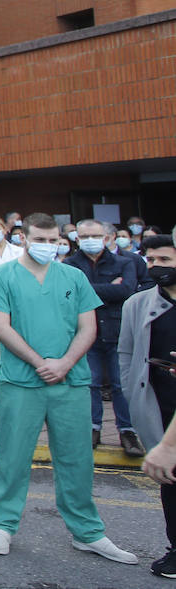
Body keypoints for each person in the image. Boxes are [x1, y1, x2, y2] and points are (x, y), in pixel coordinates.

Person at [0, 213, 137, 564]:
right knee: (14, 457)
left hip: (71, 380)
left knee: (77, 459)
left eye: (53, 241)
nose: (47, 247)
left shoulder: (73, 277)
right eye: (40, 240)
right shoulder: (2, 277)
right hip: (21, 381)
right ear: (23, 238)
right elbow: (0, 327)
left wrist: (63, 364)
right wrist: (39, 362)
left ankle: (87, 532)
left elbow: (87, 328)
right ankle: (1, 525)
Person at [119, 234, 176, 577]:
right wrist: (130, 388)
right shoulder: (137, 303)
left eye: (165, 261)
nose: (156, 267)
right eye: (151, 261)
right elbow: (126, 352)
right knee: (170, 478)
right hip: (158, 397)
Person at [66, 219, 144, 456]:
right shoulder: (69, 265)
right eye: (85, 236)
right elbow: (69, 294)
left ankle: (127, 431)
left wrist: (88, 288)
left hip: (117, 330)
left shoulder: (125, 262)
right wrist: (108, 288)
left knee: (121, 385)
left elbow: (127, 290)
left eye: (96, 236)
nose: (91, 240)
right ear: (77, 239)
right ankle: (93, 427)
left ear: (107, 237)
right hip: (84, 332)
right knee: (90, 382)